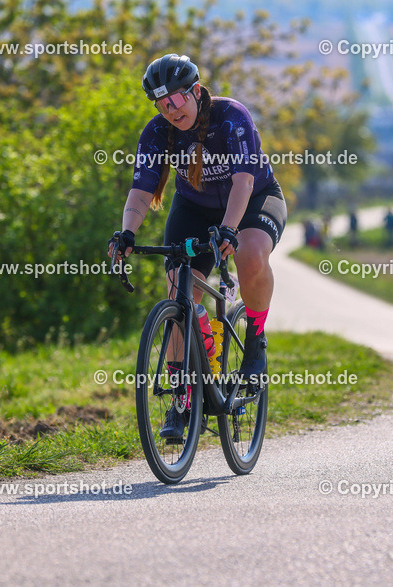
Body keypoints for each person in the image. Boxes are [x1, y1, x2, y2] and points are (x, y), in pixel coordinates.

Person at [109, 53, 287, 438]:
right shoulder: (157, 133)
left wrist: (228, 229)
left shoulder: (230, 116)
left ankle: (255, 342)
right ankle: (182, 397)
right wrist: (126, 234)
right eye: (161, 103)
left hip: (254, 198)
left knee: (250, 253)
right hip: (194, 207)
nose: (170, 109)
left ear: (194, 91)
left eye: (176, 98)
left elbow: (243, 182)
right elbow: (141, 190)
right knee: (179, 292)